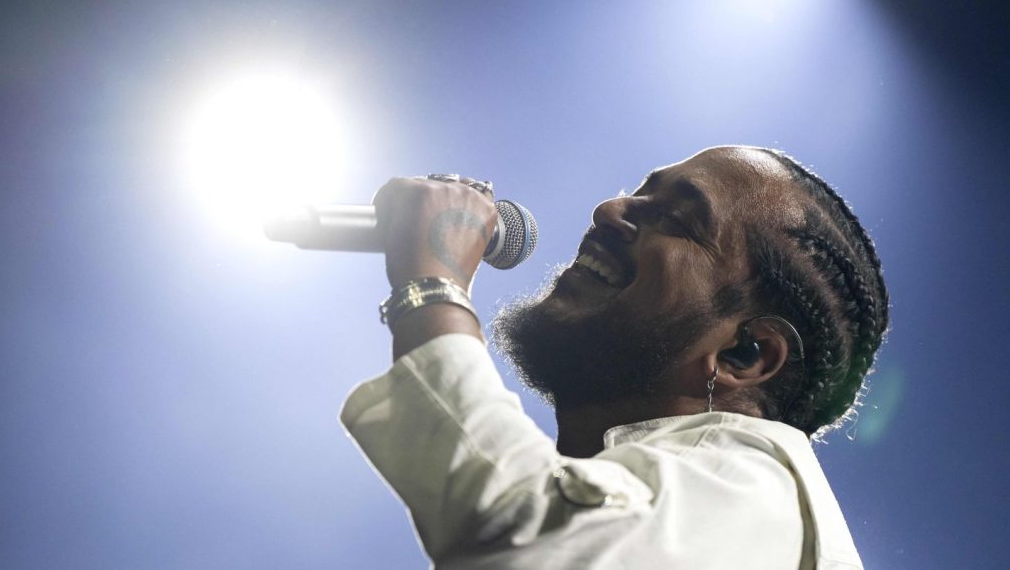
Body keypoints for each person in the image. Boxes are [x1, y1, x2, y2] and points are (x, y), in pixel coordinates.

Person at [340, 146, 888, 569]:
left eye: (677, 220)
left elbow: (529, 542)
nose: (610, 210)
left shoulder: (756, 493)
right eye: (638, 194)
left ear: (746, 355)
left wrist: (433, 286)